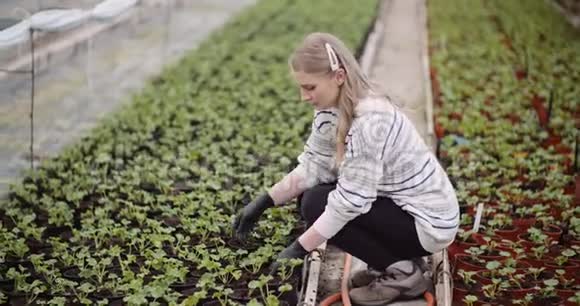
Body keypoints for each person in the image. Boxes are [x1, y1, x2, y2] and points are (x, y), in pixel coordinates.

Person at [232, 32, 459, 305]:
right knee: (312, 197)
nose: (304, 97)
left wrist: (298, 249)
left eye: (310, 87)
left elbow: (351, 201)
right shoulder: (332, 107)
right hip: (404, 211)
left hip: (429, 224)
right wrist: (264, 202)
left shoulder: (371, 121)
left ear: (338, 77)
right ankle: (392, 260)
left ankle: (404, 273)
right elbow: (315, 164)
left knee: (317, 204)